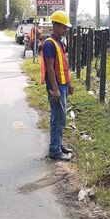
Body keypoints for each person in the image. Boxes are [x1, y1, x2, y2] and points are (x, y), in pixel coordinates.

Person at [40, 10, 74, 161]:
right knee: (57, 118)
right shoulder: (49, 44)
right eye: (63, 27)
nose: (66, 29)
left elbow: (64, 65)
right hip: (56, 87)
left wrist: (69, 83)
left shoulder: (60, 42)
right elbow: (50, 68)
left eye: (66, 27)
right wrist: (55, 89)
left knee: (61, 117)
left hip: (63, 85)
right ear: (55, 26)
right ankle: (54, 150)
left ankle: (58, 145)